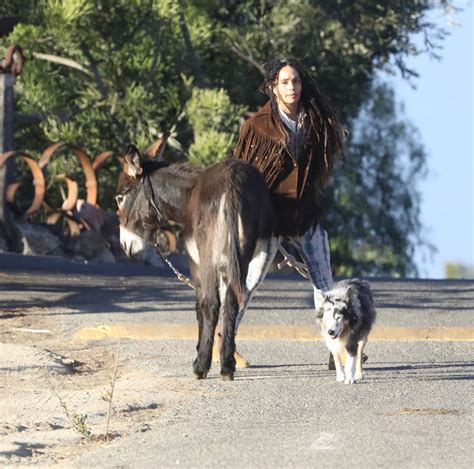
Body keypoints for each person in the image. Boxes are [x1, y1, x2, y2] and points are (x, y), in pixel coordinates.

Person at [233, 58, 345, 332]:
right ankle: (225, 340)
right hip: (268, 217)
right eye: (284, 82)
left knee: (324, 282)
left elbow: (325, 163)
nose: (291, 87)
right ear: (274, 88)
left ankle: (337, 349)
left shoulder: (317, 121)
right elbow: (241, 175)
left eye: (295, 81)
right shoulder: (257, 127)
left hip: (305, 214)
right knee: (249, 280)